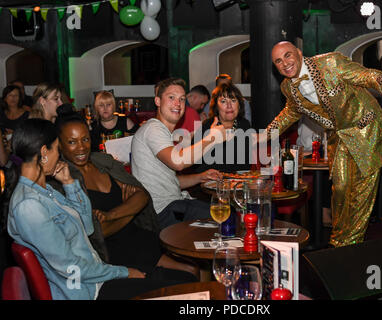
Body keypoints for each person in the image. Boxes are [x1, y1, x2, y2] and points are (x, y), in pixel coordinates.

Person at [7, 118, 196, 300]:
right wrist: (123, 272)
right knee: (187, 289)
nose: (59, 155)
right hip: (88, 291)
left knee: (188, 281)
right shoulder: (28, 206)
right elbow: (71, 267)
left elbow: (87, 226)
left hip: (97, 276)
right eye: (57, 148)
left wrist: (70, 183)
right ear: (44, 152)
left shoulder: (44, 189)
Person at [265, 41, 382, 248]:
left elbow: (363, 75)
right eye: (278, 61)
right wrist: (266, 133)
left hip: (366, 130)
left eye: (288, 55)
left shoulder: (330, 62)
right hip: (339, 137)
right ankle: (339, 240)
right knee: (340, 189)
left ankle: (348, 245)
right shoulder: (287, 87)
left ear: (299, 53)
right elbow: (291, 112)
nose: (285, 63)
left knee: (361, 192)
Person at [53, 106, 199, 277]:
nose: (81, 148)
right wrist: (130, 209)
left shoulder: (102, 162)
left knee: (196, 266)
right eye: (72, 142)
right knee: (188, 274)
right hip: (112, 253)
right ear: (59, 145)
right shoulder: (64, 180)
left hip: (139, 237)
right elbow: (98, 233)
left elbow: (143, 196)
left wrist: (110, 216)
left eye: (85, 139)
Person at [131, 77, 228, 230]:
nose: (178, 104)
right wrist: (212, 138)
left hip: (172, 205)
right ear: (157, 101)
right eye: (171, 98)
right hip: (162, 212)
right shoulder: (153, 129)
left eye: (182, 99)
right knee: (226, 218)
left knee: (222, 211)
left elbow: (170, 182)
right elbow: (178, 161)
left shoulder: (161, 131)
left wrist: (200, 177)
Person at [193, 82, 252, 173]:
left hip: (238, 182)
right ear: (216, 106)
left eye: (233, 100)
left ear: (239, 105)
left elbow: (246, 164)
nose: (229, 106)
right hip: (211, 182)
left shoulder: (244, 125)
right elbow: (195, 165)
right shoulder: (207, 127)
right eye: (223, 101)